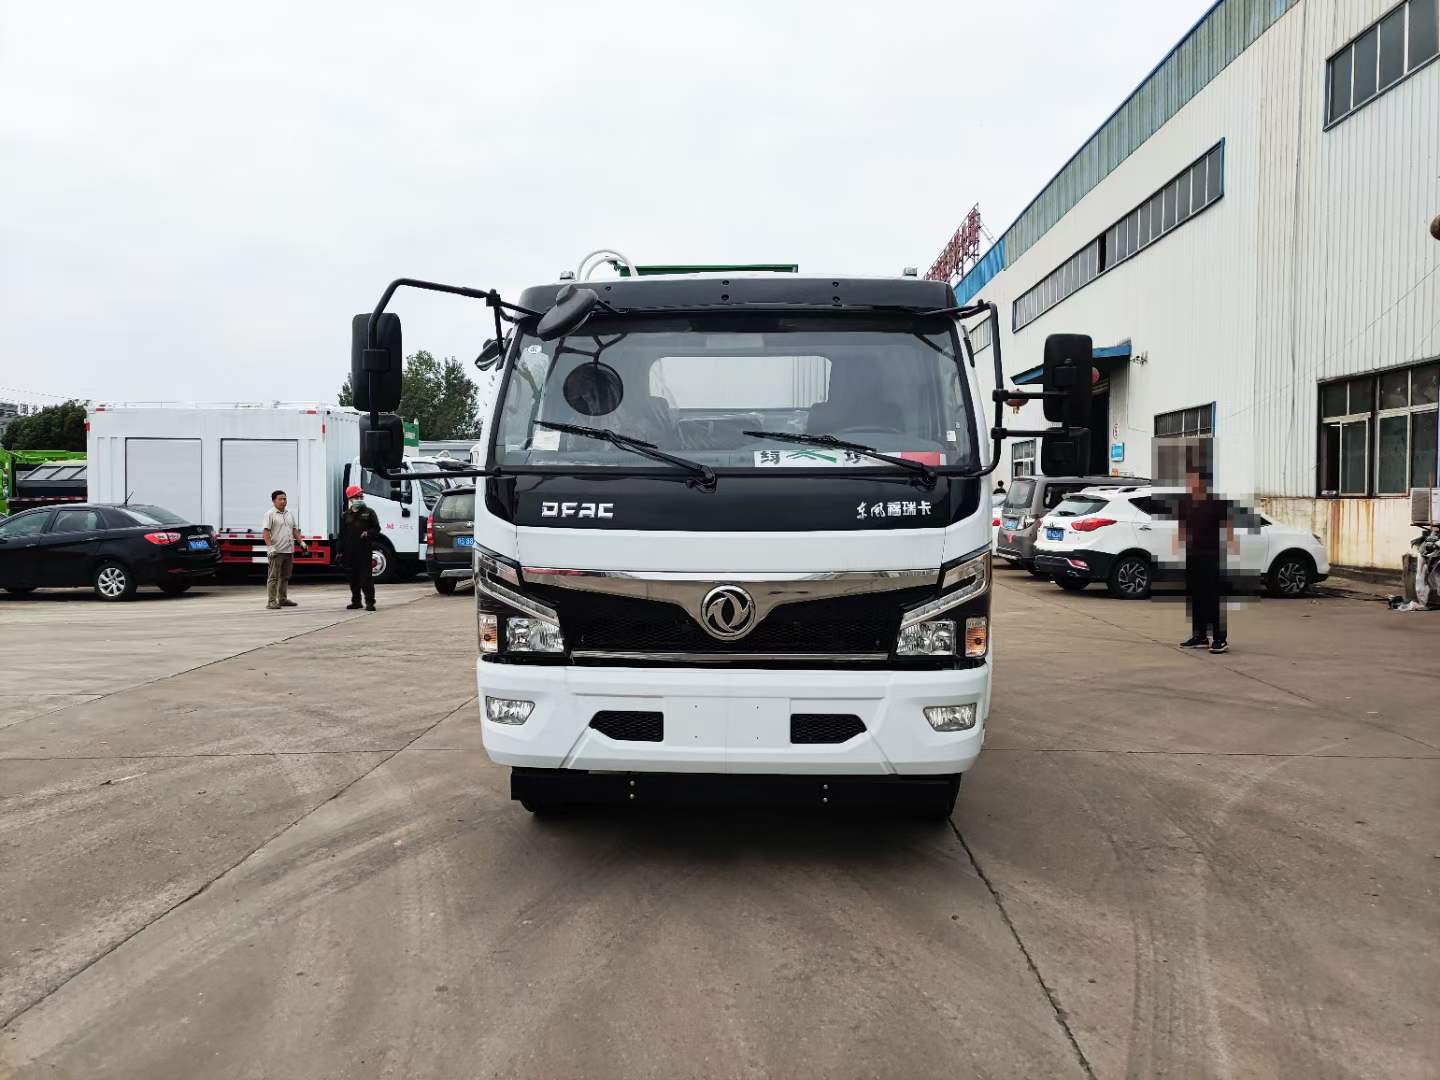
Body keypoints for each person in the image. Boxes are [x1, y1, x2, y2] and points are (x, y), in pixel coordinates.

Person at [1174, 462, 1237, 653]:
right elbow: (1182, 524)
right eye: (1188, 479)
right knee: (1195, 597)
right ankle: (1199, 636)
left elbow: (1227, 524)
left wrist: (1231, 544)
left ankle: (1219, 638)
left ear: (1203, 482)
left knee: (1212, 598)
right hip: (1193, 555)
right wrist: (1179, 543)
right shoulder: (1185, 501)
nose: (1189, 483)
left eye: (1192, 479)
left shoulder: (1216, 502)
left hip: (1211, 556)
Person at [262, 490, 307, 610]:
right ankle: (271, 601)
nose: (283, 501)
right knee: (273, 577)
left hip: (289, 550)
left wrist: (301, 542)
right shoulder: (270, 514)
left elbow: (294, 530)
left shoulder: (289, 513)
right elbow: (265, 532)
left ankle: (282, 599)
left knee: (285, 576)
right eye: (280, 499)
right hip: (276, 551)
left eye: (285, 499)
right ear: (274, 501)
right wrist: (270, 547)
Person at [340, 484, 381, 611]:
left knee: (365, 578)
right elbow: (342, 534)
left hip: (364, 550)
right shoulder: (346, 515)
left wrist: (368, 533)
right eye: (357, 497)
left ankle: (370, 602)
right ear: (350, 499)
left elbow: (376, 529)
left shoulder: (369, 513)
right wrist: (339, 551)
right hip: (350, 551)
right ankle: (356, 601)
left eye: (361, 496)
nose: (359, 499)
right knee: (353, 578)